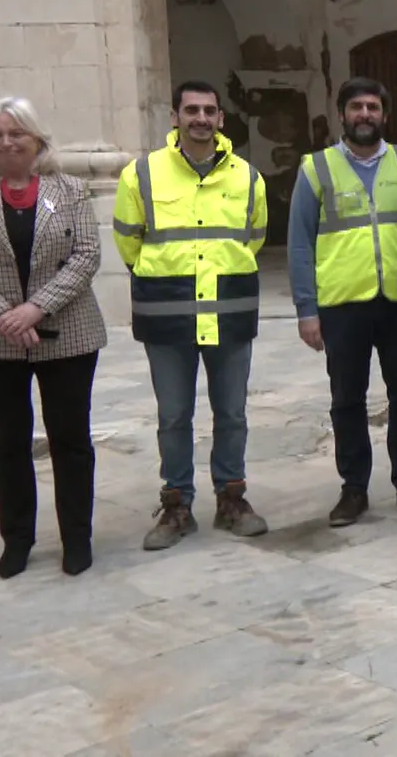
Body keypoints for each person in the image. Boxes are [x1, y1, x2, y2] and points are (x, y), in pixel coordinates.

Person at [0, 98, 107, 578]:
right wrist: (3, 315)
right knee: (7, 442)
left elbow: (86, 255)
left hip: (67, 331)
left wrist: (36, 307)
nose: (7, 142)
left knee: (70, 439)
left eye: (17, 133)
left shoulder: (70, 189)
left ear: (37, 139)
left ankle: (77, 537)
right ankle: (17, 539)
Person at [114, 80, 271, 550]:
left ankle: (231, 498)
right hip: (167, 316)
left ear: (222, 118)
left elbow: (255, 236)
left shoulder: (248, 176)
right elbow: (129, 242)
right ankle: (176, 503)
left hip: (229, 312)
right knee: (174, 415)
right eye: (191, 110)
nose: (200, 118)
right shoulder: (139, 175)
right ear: (175, 116)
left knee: (233, 412)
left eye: (209, 111)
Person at [289, 78, 397, 527]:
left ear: (385, 115)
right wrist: (306, 310)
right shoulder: (316, 169)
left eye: (373, 106)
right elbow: (299, 245)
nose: (364, 114)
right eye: (356, 107)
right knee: (347, 400)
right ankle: (354, 489)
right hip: (343, 304)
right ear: (342, 114)